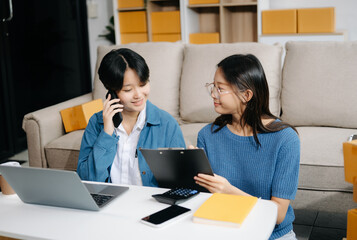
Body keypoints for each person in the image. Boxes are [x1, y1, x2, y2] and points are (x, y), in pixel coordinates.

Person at [193, 54, 300, 240]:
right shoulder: (207, 135)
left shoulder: (285, 139)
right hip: (222, 231)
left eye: (220, 89)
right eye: (213, 87)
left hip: (272, 235)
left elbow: (279, 214)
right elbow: (204, 200)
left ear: (246, 95)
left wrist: (228, 191)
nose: (213, 94)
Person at [77, 48, 186, 186]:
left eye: (143, 84)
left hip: (150, 205)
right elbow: (87, 181)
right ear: (112, 92)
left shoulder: (167, 124)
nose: (139, 94)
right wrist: (106, 134)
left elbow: (180, 184)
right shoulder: (96, 123)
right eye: (128, 90)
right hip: (110, 204)